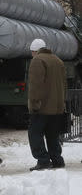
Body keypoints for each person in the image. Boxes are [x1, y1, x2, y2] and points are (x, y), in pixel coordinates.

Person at [28, 38, 66, 171]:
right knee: (52, 134)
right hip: (57, 108)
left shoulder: (37, 60)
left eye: (32, 52)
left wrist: (34, 104)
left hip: (42, 107)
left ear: (35, 51)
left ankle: (43, 160)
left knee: (34, 133)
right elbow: (63, 85)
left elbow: (35, 85)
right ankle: (57, 160)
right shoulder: (58, 60)